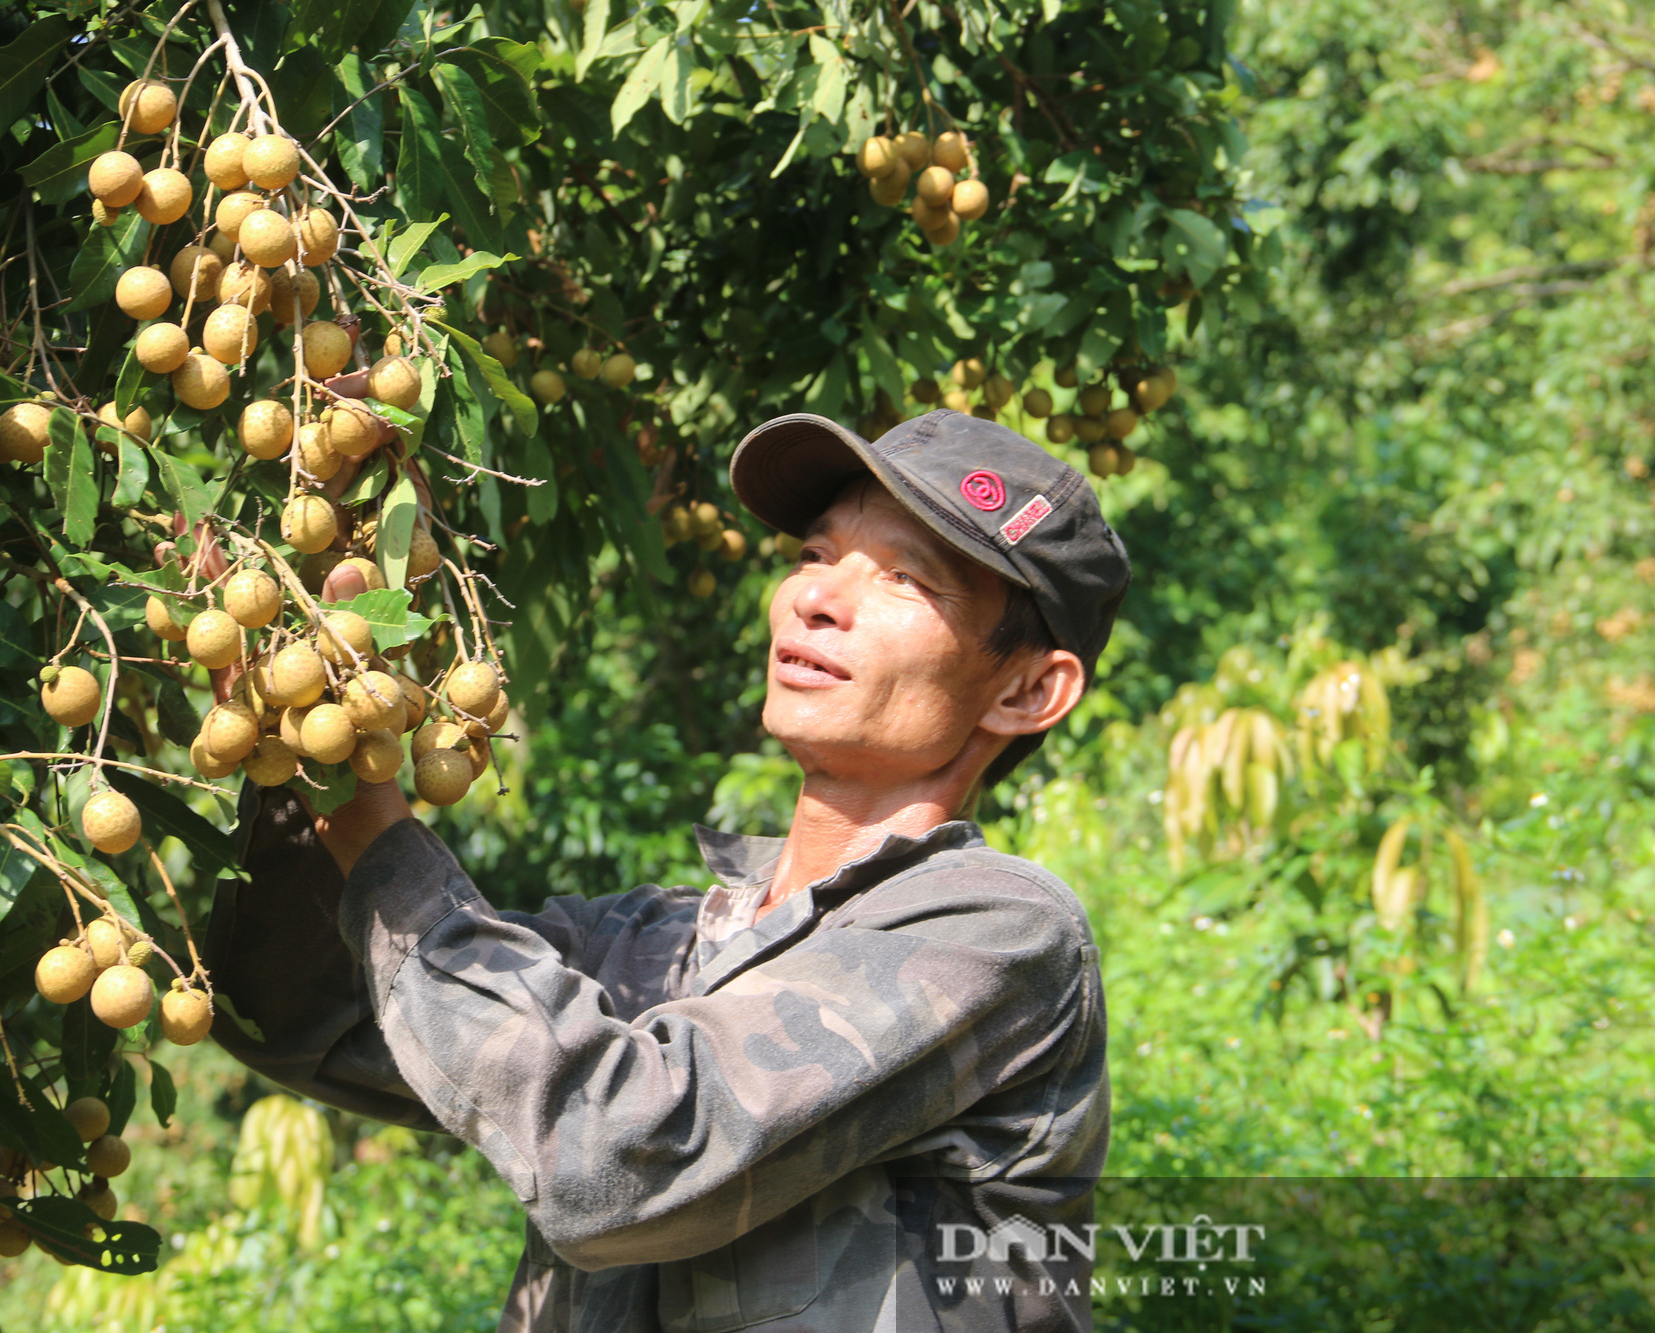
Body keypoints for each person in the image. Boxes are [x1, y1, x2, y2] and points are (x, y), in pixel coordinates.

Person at [205, 407, 1132, 1332]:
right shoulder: (645, 944)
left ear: (1025, 690)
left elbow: (617, 1155)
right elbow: (296, 1015)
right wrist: (302, 735)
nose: (815, 597)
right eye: (815, 554)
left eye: (904, 577)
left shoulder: (999, 934)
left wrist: (369, 815)